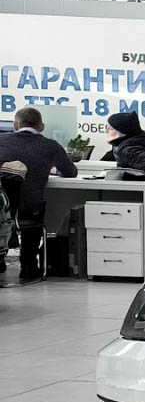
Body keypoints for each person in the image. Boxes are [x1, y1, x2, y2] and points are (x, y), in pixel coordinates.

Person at [0, 107, 78, 284]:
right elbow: (70, 172)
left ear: (15, 125)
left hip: (1, 209)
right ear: (42, 127)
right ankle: (29, 267)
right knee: (32, 215)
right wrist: (51, 170)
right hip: (29, 209)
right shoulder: (50, 146)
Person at [102, 110, 145, 180]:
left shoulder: (129, 149)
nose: (106, 131)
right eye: (107, 127)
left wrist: (123, 176)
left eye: (111, 129)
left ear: (123, 131)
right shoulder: (137, 138)